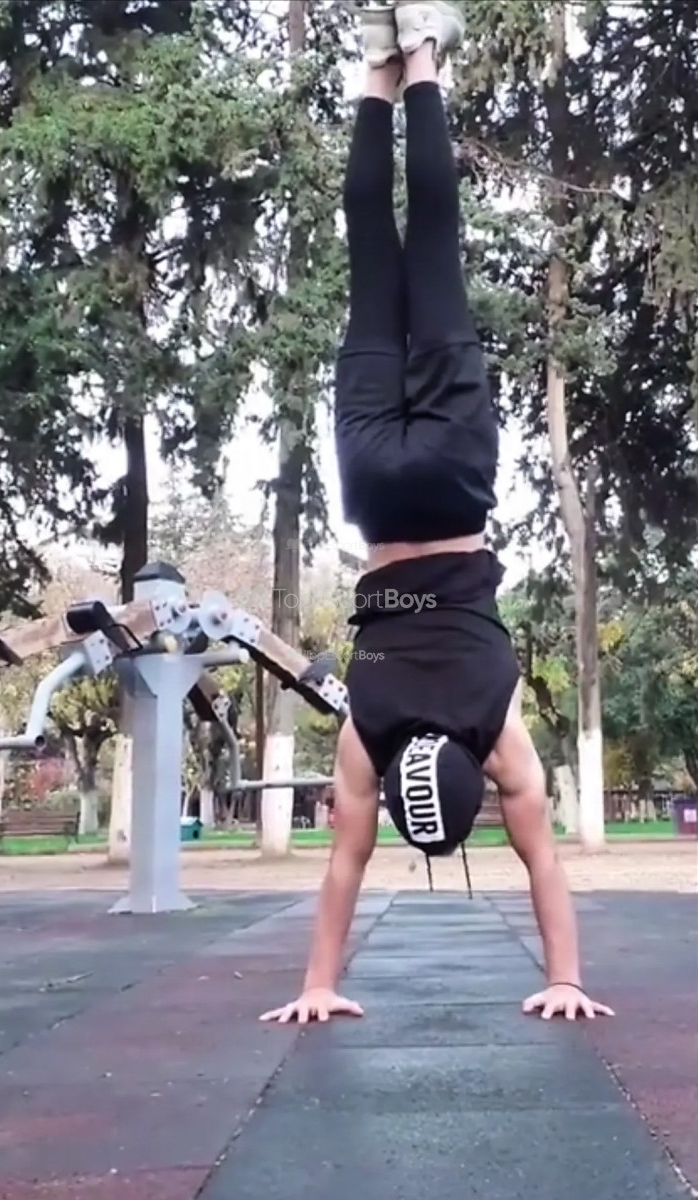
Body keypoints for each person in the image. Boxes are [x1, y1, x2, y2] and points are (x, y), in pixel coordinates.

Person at [261, 1, 614, 1026]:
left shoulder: (496, 727)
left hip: (455, 482)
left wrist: (566, 976)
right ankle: (377, 70)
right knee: (373, 257)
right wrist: (316, 985)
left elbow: (539, 859)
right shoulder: (367, 732)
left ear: (474, 778)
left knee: (433, 248)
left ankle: (418, 55)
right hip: (376, 491)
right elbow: (344, 863)